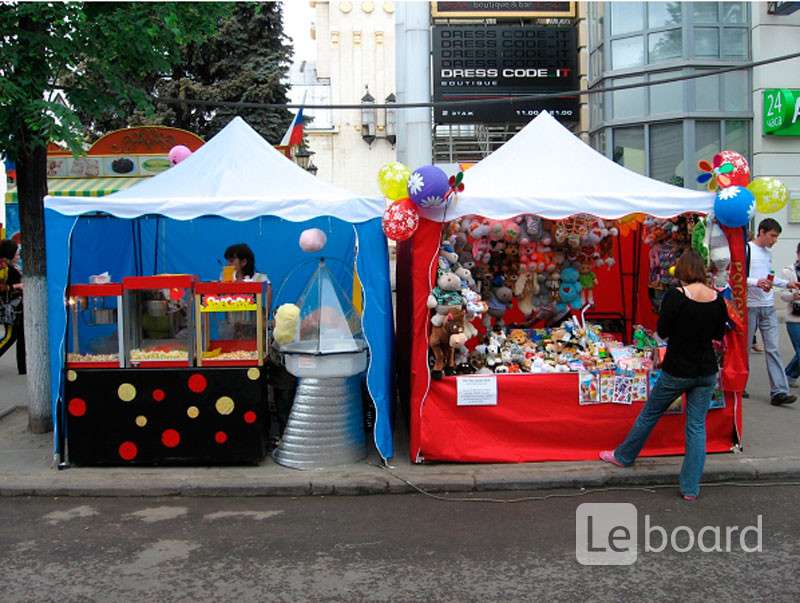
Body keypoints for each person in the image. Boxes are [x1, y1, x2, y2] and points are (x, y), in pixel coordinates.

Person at [600, 250, 729, 501]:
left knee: (651, 413)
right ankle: (690, 488)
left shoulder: (675, 296)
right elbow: (717, 333)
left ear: (681, 271)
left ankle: (624, 456)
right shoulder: (717, 298)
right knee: (696, 426)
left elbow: (663, 330)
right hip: (706, 370)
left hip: (678, 368)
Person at [746, 218, 797, 406]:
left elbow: (769, 277)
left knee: (773, 348)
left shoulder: (767, 253)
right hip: (749, 306)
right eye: (772, 235)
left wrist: (787, 284)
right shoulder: (747, 249)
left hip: (767, 306)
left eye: (776, 236)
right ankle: (738, 385)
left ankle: (779, 392)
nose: (774, 240)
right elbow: (735, 276)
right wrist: (754, 282)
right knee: (743, 350)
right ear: (761, 232)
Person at [0, 239, 25, 374]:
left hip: (18, 308)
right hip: (10, 308)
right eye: (16, 254)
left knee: (22, 336)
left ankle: (23, 368)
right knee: (10, 336)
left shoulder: (12, 267)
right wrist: (16, 286)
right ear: (9, 255)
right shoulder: (3, 268)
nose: (18, 256)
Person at [782, 242, 800, 388]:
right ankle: (787, 376)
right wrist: (794, 296)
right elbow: (783, 295)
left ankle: (788, 375)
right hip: (794, 317)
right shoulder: (788, 271)